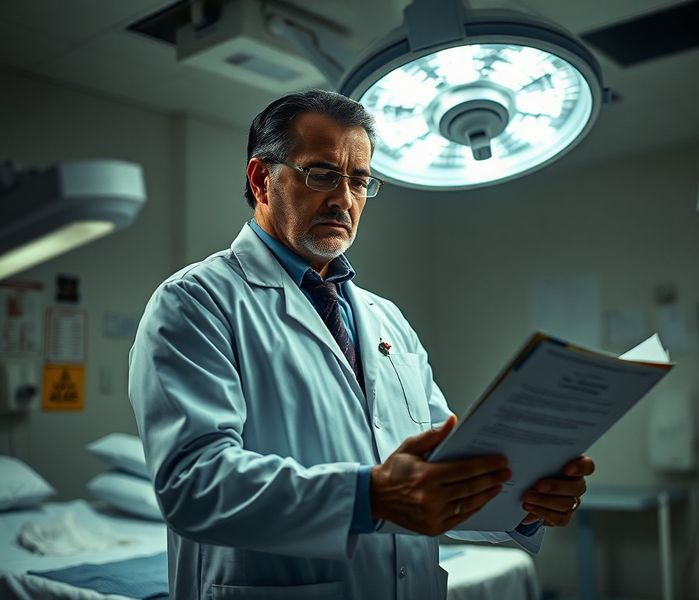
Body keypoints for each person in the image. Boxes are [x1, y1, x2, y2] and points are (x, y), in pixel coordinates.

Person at [128, 89, 595, 600]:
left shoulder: (386, 319)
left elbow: (433, 478)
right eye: (323, 174)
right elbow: (194, 485)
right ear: (263, 180)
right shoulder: (194, 302)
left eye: (359, 181)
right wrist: (368, 497)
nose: (344, 199)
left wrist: (522, 503)